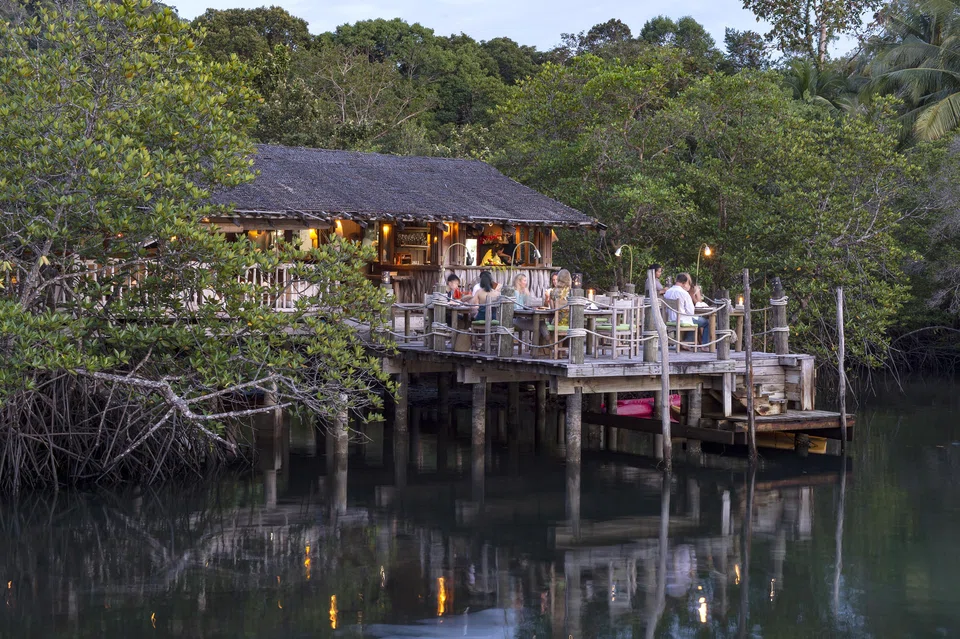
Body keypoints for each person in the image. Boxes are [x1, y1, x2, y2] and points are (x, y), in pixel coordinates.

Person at [663, 273, 710, 347]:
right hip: (682, 320)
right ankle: (704, 345)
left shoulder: (667, 292)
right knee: (706, 322)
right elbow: (691, 312)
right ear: (684, 283)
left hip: (670, 320)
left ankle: (686, 342)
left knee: (693, 320)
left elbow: (666, 309)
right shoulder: (684, 293)